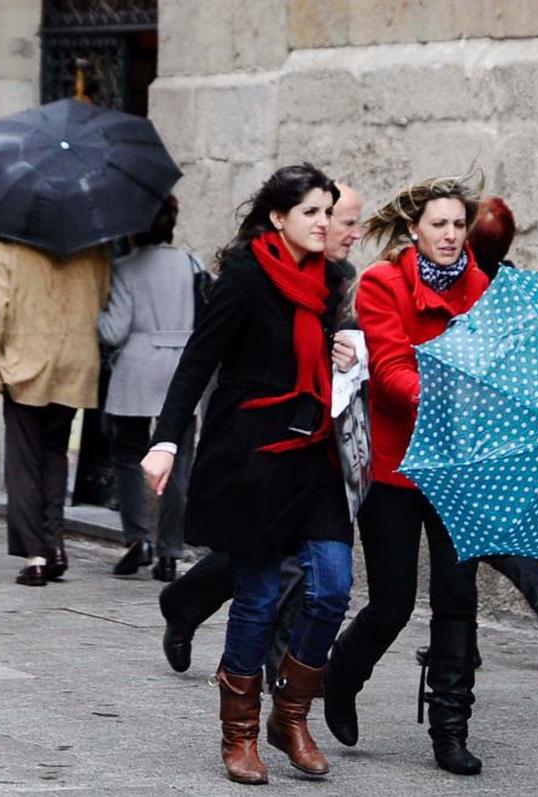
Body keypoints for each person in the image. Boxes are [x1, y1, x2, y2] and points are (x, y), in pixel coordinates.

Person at [140, 164, 357, 784]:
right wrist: (165, 442)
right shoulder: (243, 278)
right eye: (312, 212)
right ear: (277, 218)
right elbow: (195, 363)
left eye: (327, 211)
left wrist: (341, 345)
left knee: (333, 586)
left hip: (313, 451)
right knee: (259, 596)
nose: (324, 223)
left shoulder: (332, 279)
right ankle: (239, 735)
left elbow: (319, 356)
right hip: (250, 457)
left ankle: (290, 717)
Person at [323, 175, 489, 776]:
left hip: (457, 469)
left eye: (457, 225)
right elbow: (390, 373)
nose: (449, 235)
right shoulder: (383, 284)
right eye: (438, 224)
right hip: (393, 468)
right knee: (391, 603)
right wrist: (456, 396)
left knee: (458, 600)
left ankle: (451, 729)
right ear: (415, 229)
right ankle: (340, 678)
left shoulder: (483, 288)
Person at [413, 195, 538, 667]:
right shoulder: (509, 286)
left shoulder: (474, 286)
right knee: (473, 529)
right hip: (499, 429)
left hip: (462, 430)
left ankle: (486, 627)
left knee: (460, 533)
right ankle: (474, 633)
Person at [0, 238, 110, 587]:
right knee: (55, 455)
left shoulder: (7, 246)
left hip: (24, 364)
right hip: (75, 363)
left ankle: (36, 555)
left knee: (24, 462)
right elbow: (102, 297)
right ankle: (55, 544)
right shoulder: (92, 246)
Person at [98, 196, 201, 582]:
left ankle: (138, 538)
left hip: (137, 368)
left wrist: (96, 314)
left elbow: (114, 330)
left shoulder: (124, 268)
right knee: (179, 465)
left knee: (127, 456)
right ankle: (170, 552)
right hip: (181, 369)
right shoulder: (192, 263)